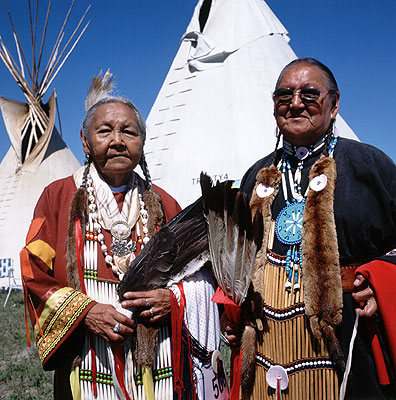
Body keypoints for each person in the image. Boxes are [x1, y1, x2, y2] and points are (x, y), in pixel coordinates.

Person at [20, 72, 221, 400]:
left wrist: (173, 300)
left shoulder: (166, 204)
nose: (117, 140)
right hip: (86, 355)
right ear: (85, 142)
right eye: (104, 131)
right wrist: (85, 313)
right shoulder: (58, 198)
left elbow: (202, 273)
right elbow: (32, 270)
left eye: (128, 132)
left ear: (142, 144)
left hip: (159, 356)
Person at [228, 58, 396, 399]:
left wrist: (380, 279)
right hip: (266, 349)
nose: (295, 102)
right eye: (284, 95)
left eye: (309, 93)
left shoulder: (369, 166)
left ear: (334, 105)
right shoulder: (255, 177)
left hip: (350, 341)